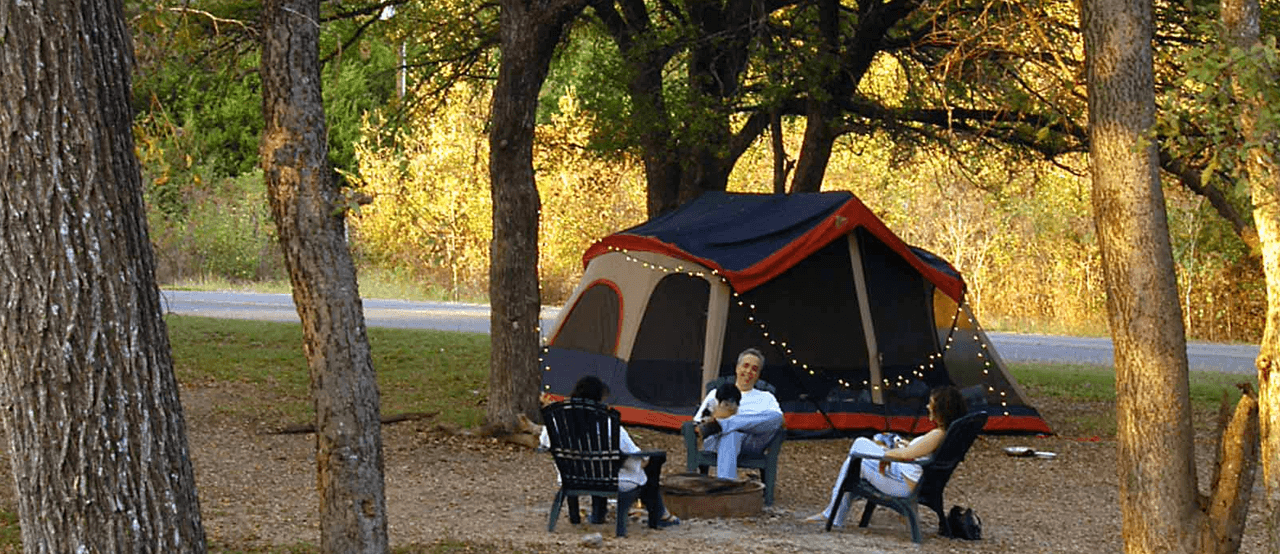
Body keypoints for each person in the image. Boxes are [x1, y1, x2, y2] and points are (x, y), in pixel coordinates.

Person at [805, 385, 968, 525]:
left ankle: (833, 515)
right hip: (911, 478)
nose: (928, 407)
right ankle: (835, 513)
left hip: (903, 485)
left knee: (858, 448)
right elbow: (918, 451)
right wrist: (901, 445)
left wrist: (887, 455)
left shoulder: (937, 434)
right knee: (855, 460)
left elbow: (906, 455)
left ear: (941, 410)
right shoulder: (948, 433)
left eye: (931, 404)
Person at [540, 376, 680, 528]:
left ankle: (598, 514)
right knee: (652, 463)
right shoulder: (608, 424)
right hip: (611, 480)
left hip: (571, 477)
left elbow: (544, 442)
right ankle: (659, 515)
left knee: (601, 466)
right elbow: (635, 453)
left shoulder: (556, 422)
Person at [692, 347, 785, 481]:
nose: (748, 371)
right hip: (719, 440)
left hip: (752, 443)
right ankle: (726, 487)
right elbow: (699, 422)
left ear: (758, 374)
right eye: (745, 366)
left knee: (776, 417)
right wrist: (720, 415)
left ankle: (725, 425)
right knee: (732, 433)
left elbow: (778, 421)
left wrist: (732, 422)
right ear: (737, 368)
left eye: (754, 369)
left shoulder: (766, 397)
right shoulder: (716, 393)